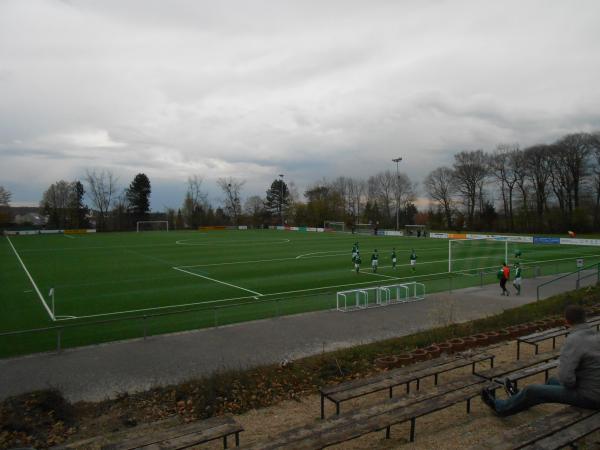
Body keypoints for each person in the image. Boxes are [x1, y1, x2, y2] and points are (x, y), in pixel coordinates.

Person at [481, 305, 600, 416]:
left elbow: (566, 378)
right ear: (585, 318)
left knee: (532, 390)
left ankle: (500, 408)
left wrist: (573, 385)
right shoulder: (596, 336)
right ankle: (518, 399)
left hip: (590, 398)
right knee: (551, 381)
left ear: (567, 321)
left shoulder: (574, 340)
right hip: (592, 390)